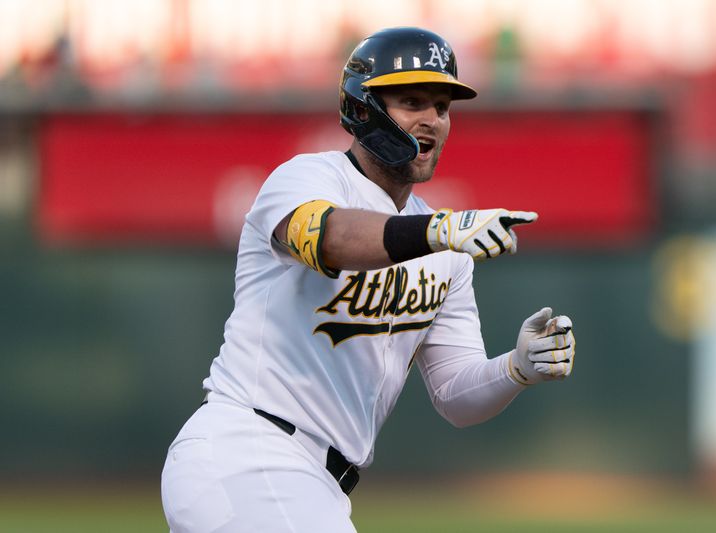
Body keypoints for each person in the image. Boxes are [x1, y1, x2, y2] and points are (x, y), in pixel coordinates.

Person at [160, 27, 576, 533]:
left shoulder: (446, 251)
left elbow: (454, 394)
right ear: (363, 108)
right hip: (245, 451)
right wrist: (440, 230)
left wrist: (516, 369)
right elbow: (327, 239)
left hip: (318, 486)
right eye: (411, 101)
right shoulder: (305, 178)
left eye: (443, 106)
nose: (433, 120)